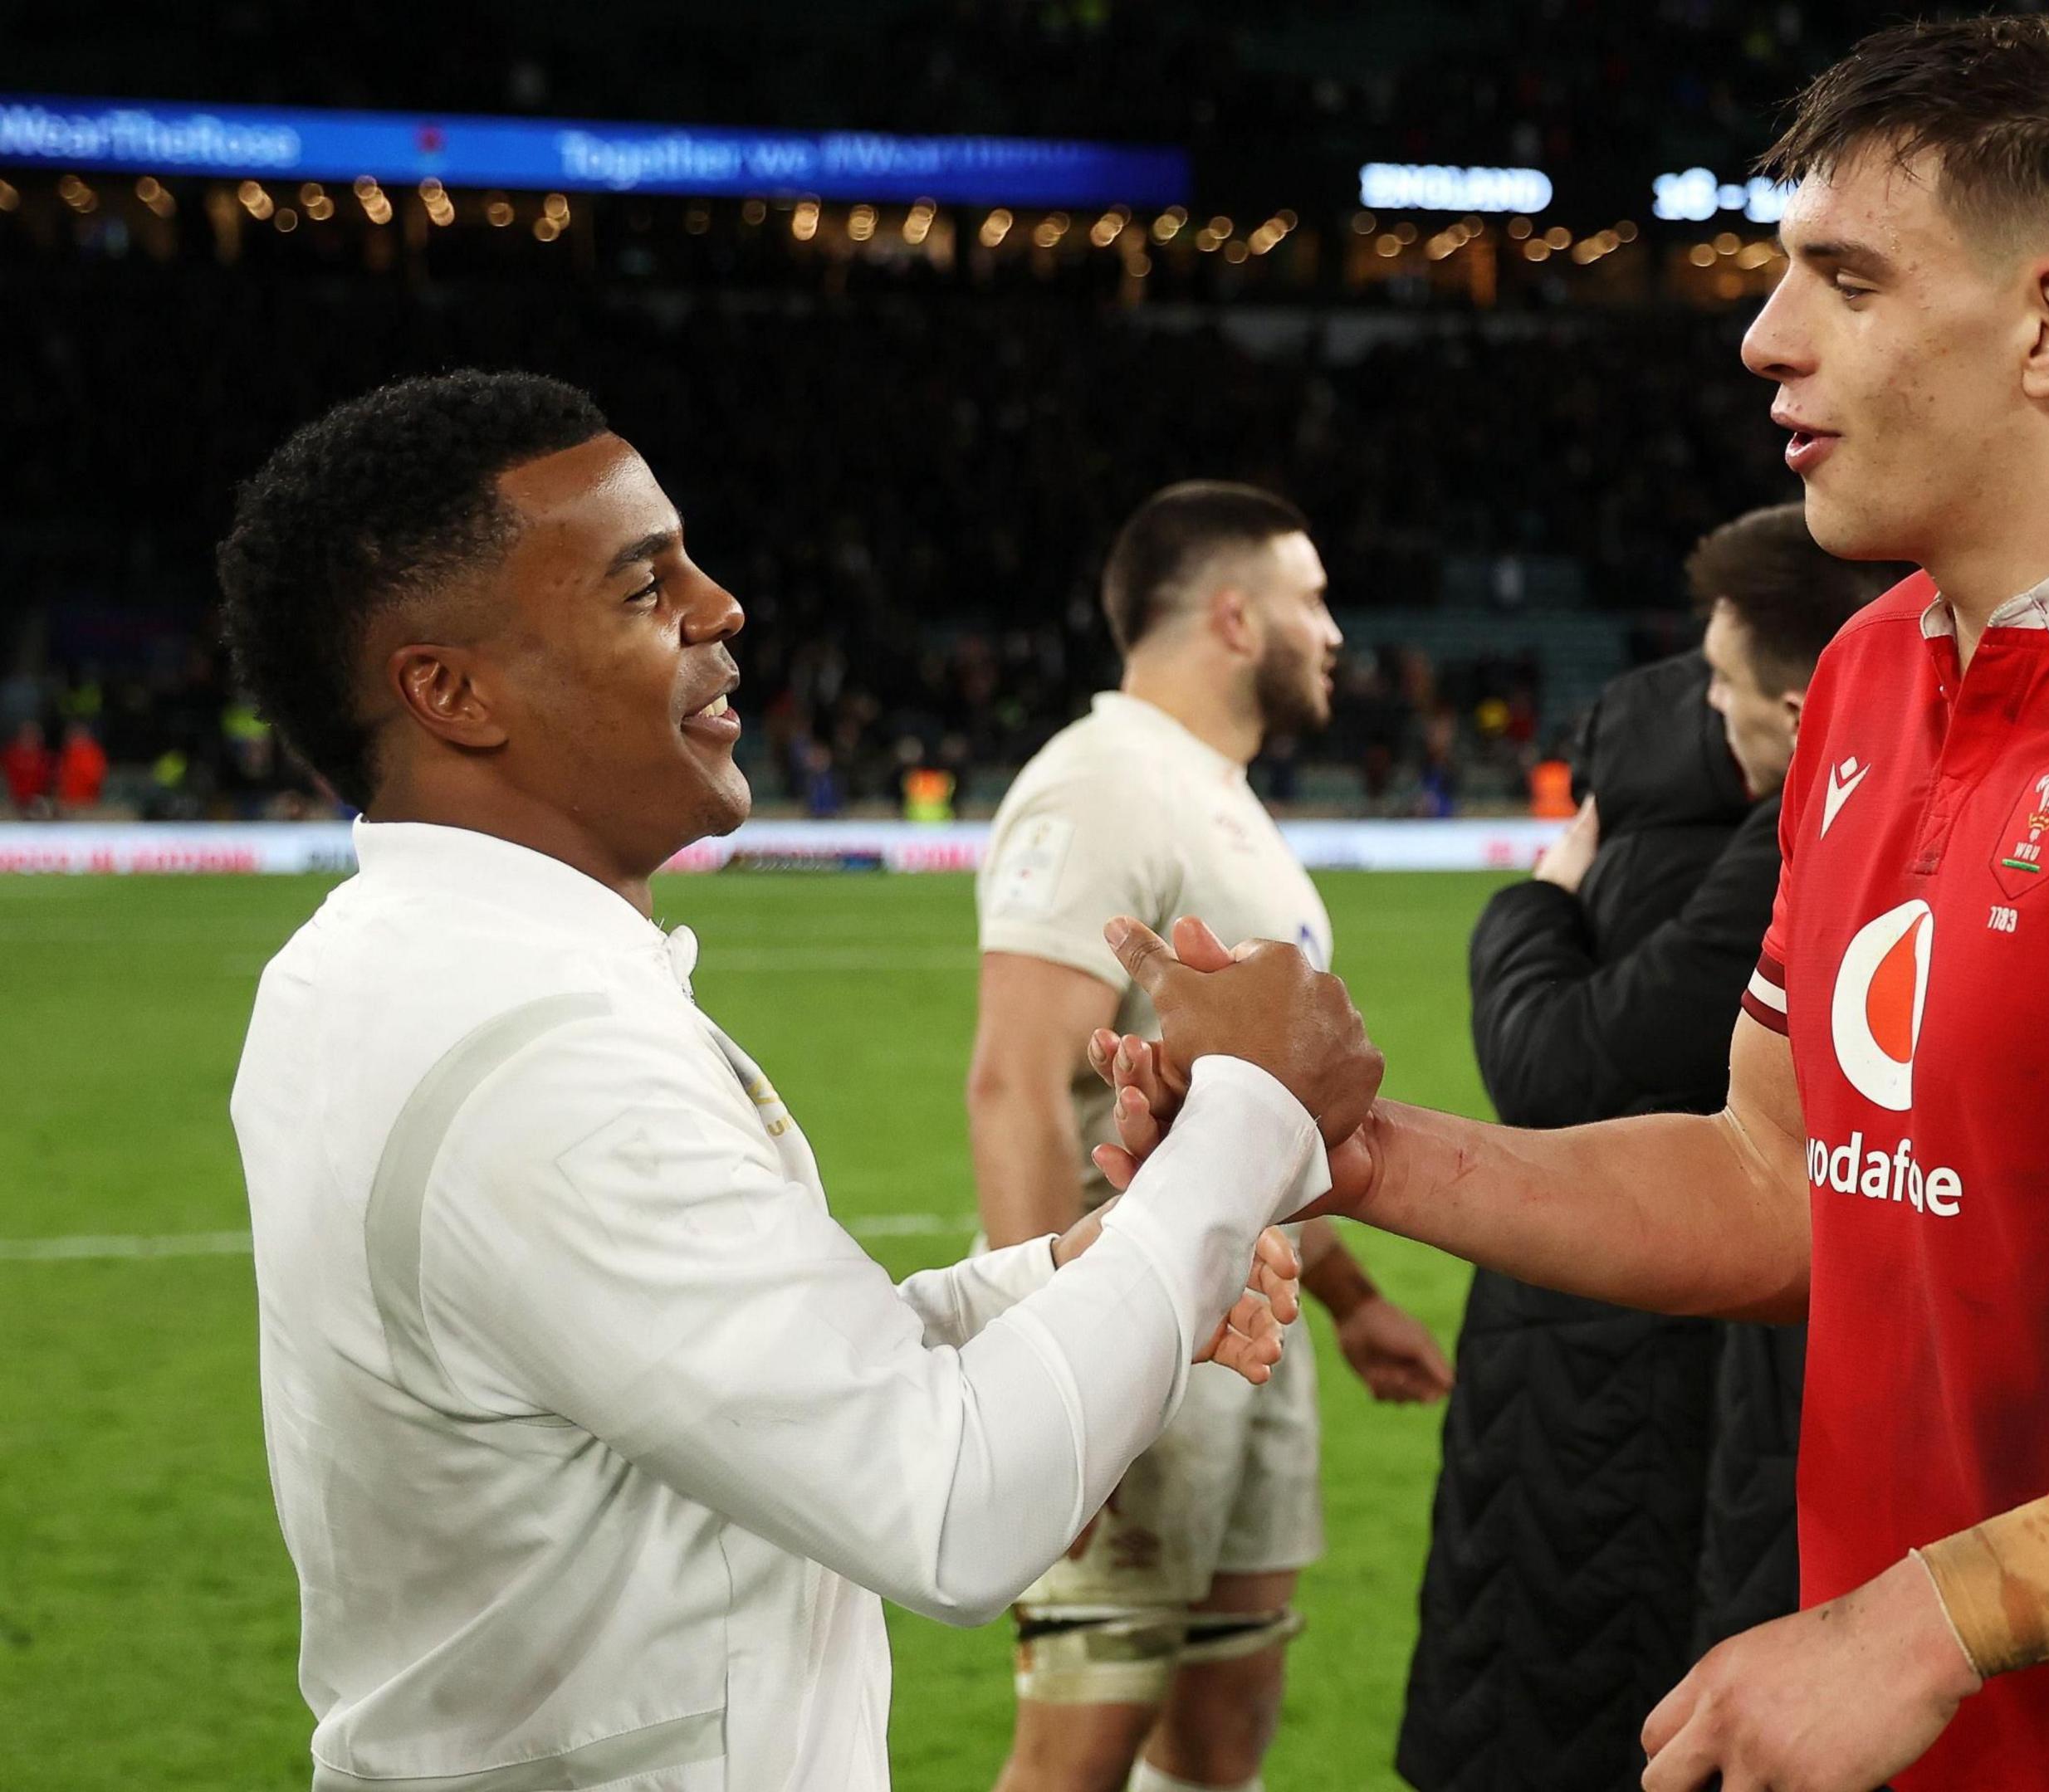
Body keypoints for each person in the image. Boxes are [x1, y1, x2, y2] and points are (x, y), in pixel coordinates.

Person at [1086, 14, 2049, 1789]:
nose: (1765, 335)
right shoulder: (1872, 678)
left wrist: (1931, 1615)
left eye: (1844, 281)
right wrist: (1357, 1150)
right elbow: (1778, 1179)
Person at [214, 370, 1377, 1791]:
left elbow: (747, 1374)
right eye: (646, 588)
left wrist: (1081, 1270)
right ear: (450, 690)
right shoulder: (538, 1052)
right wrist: (1254, 1110)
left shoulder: (381, 965)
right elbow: (946, 1506)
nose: (722, 607)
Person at [1402, 505, 1897, 1790]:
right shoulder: (1784, 836)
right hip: (1665, 1363)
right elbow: (1566, 1070)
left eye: (1722, 686)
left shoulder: (1678, 834)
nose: (1704, 708)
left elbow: (1557, 1067)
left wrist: (1535, 903)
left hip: (1593, 1352)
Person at [969, 481, 1454, 1792]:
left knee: (1225, 1724)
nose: (1336, 630)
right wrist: (1050, 1380)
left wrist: (1348, 1300)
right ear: (1236, 618)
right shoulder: (1101, 785)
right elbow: (1016, 1083)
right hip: (1124, 1321)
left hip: (1250, 1329)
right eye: (1313, 599)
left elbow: (1256, 1117)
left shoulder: (1219, 798)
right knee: (1083, 1740)